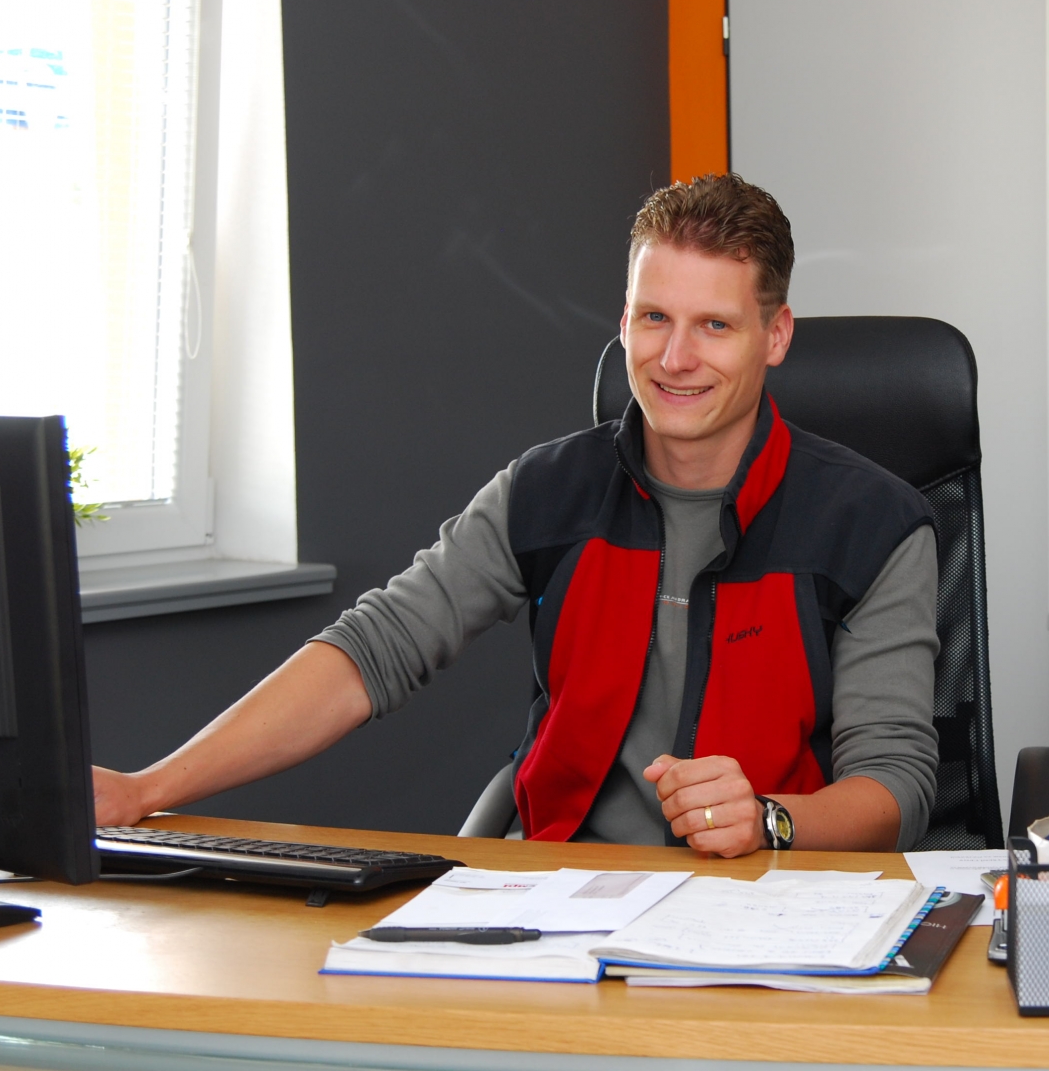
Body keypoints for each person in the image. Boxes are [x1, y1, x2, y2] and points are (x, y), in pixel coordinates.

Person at [92, 174, 940, 858]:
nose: (676, 357)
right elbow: (374, 650)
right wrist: (146, 789)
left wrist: (769, 818)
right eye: (654, 318)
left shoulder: (873, 525)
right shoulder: (545, 492)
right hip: (559, 906)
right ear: (625, 321)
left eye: (714, 325)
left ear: (776, 334)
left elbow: (894, 786)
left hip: (767, 911)